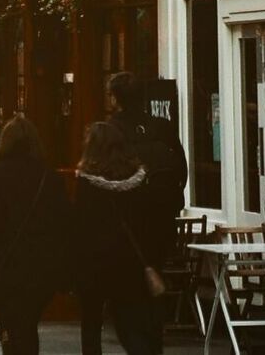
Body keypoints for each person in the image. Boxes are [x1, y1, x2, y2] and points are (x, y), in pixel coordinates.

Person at [94, 73, 186, 355]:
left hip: (123, 231)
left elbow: (98, 183)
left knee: (125, 303)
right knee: (151, 295)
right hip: (159, 227)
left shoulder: (107, 132)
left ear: (113, 98)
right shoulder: (162, 127)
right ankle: (152, 344)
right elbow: (180, 172)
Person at [0, 116, 72, 355]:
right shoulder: (49, 176)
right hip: (42, 264)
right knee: (28, 322)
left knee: (13, 323)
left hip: (9, 263)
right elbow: (63, 221)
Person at [73, 121, 163, 355]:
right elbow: (149, 224)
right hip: (129, 263)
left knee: (91, 325)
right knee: (129, 323)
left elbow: (80, 226)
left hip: (95, 265)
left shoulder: (86, 183)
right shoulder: (140, 181)